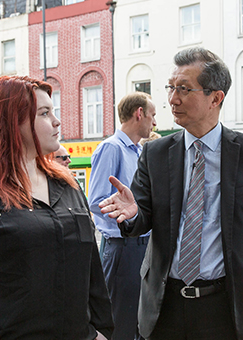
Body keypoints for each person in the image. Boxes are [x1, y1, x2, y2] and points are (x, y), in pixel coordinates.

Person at [99, 47, 243, 340]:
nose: (173, 99)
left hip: (225, 307)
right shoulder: (156, 152)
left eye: (184, 89)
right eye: (171, 88)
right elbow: (141, 217)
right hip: (163, 305)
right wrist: (133, 214)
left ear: (216, 97)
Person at [0, 76, 113, 340]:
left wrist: (101, 331)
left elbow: (91, 272)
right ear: (11, 122)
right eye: (44, 113)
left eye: (54, 111)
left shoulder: (68, 186)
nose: (56, 121)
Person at [88, 91, 157, 340]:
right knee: (120, 324)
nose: (155, 122)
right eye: (152, 115)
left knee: (139, 323)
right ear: (139, 114)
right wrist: (128, 219)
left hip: (140, 247)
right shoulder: (111, 148)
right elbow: (96, 201)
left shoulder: (137, 152)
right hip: (122, 248)